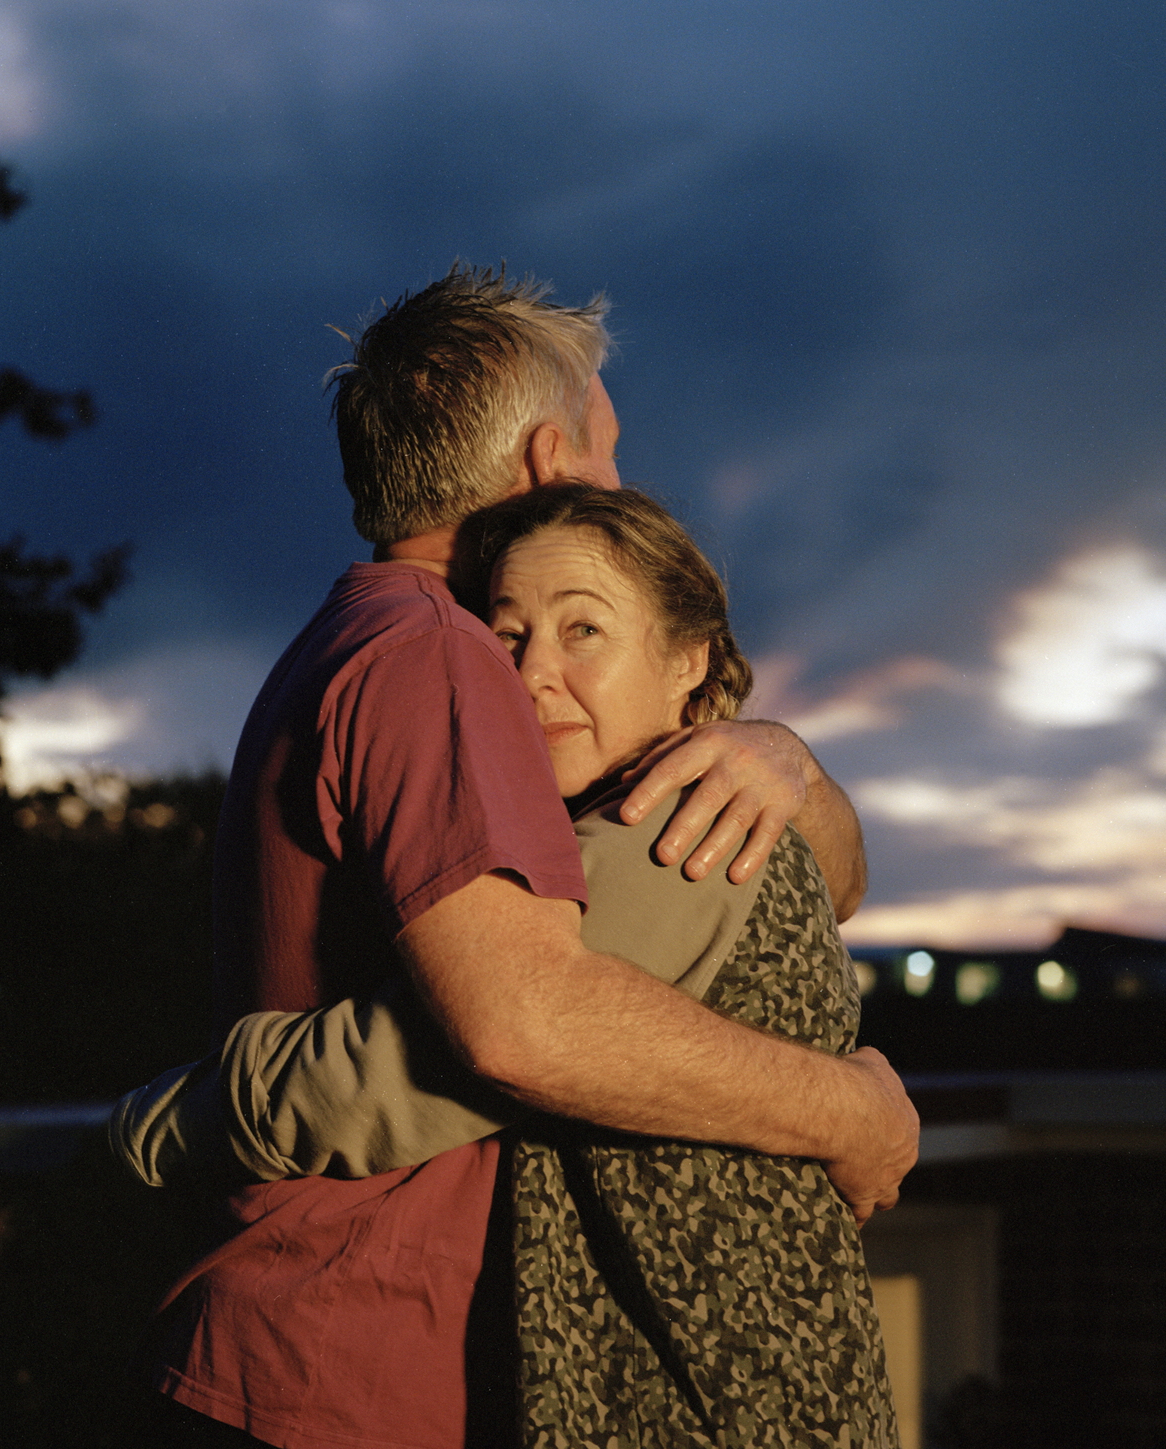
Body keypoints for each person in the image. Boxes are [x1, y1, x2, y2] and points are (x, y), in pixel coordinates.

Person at [118, 265, 917, 1449]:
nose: (618, 485)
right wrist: (851, 1110)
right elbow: (524, 1024)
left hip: (322, 1357)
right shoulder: (438, 658)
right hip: (347, 1368)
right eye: (609, 452)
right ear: (551, 460)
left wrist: (784, 760)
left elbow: (824, 882)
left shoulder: (360, 636)